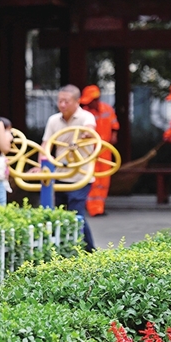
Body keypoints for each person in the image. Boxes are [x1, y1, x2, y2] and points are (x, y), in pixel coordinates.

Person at [41, 84, 97, 251]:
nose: (62, 105)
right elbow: (45, 146)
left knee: (76, 214)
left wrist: (85, 134)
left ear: (77, 102)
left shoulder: (86, 117)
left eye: (66, 101)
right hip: (59, 175)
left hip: (80, 176)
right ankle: (65, 250)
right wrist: (41, 166)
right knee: (60, 214)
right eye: (60, 101)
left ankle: (87, 251)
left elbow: (90, 130)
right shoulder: (53, 120)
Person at [79, 85, 119, 216]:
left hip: (105, 149)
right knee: (93, 178)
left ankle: (100, 206)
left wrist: (114, 135)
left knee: (104, 179)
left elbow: (114, 125)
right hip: (90, 150)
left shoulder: (107, 109)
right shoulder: (84, 113)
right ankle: (93, 208)